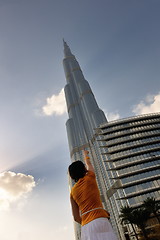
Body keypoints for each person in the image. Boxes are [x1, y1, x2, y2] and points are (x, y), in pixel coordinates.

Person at [68, 150, 118, 240]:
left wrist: (87, 222)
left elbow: (76, 217)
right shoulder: (90, 178)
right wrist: (86, 155)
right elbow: (89, 164)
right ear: (84, 169)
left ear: (72, 176)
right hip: (100, 221)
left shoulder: (72, 192)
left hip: (86, 228)